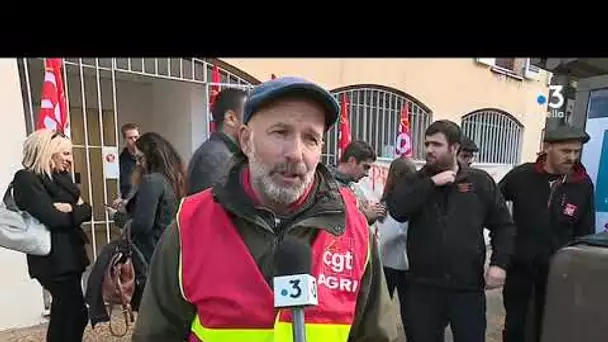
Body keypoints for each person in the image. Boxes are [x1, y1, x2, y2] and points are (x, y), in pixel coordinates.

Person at [132, 76, 398, 342]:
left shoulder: (355, 231)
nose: (296, 153)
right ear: (246, 141)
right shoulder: (188, 225)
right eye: (280, 132)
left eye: (311, 139)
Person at [387, 119, 515, 342]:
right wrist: (432, 183)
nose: (429, 150)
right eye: (427, 144)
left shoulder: (479, 182)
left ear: (454, 148)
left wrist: (499, 264)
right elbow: (397, 209)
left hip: (467, 288)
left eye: (436, 144)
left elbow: (503, 226)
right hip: (423, 288)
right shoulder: (416, 180)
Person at [499, 125, 595, 342]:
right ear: (548, 148)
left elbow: (585, 231)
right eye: (565, 151)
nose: (572, 157)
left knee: (549, 324)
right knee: (515, 324)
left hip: (558, 270)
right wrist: (503, 241)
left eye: (576, 152)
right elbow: (493, 204)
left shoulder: (583, 185)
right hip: (519, 266)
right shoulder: (522, 175)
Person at [12, 129, 92, 342]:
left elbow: (88, 209)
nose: (70, 160)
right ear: (48, 152)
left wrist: (71, 209)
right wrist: (72, 210)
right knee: (71, 314)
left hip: (71, 257)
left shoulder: (60, 178)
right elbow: (53, 218)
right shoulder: (26, 179)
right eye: (65, 154)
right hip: (52, 261)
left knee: (71, 314)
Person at [112, 132, 187, 264]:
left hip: (149, 253)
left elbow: (143, 224)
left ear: (152, 157)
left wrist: (117, 217)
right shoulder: (174, 179)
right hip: (169, 250)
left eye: (141, 158)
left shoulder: (152, 180)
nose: (138, 163)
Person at [376, 156, 417, 341]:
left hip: (389, 261)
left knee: (384, 309)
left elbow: (385, 233)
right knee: (409, 311)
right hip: (401, 262)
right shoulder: (403, 199)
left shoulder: (387, 198)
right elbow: (391, 233)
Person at [187, 88, 247, 195]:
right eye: (248, 116)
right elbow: (213, 208)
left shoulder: (226, 153)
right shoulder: (215, 158)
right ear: (231, 118)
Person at [332, 140, 386, 224]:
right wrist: (364, 216)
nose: (367, 174)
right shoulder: (326, 184)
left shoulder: (354, 188)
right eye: (365, 167)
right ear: (352, 161)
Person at [112, 123, 140, 207]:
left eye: (136, 137)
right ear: (125, 140)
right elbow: (123, 184)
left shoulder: (149, 156)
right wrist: (122, 198)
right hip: (129, 204)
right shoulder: (121, 161)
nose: (134, 140)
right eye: (130, 138)